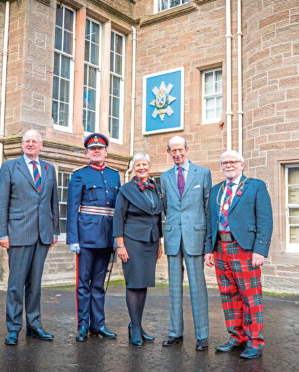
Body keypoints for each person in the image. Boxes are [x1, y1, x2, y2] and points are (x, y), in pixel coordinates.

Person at [205, 150, 273, 359]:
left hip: (245, 249)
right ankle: (236, 337)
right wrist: (208, 250)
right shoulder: (216, 190)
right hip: (221, 249)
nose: (229, 165)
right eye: (225, 162)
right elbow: (210, 223)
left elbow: (265, 220)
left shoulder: (256, 186)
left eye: (233, 162)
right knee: (228, 295)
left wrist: (260, 251)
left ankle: (254, 341)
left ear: (242, 164)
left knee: (250, 298)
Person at [0, 129, 60, 346]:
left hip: (42, 236)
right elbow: (1, 203)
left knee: (35, 284)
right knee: (16, 284)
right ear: (22, 145)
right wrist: (2, 233)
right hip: (19, 234)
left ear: (41, 145)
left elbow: (53, 203)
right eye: (27, 141)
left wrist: (55, 231)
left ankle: (34, 325)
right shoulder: (10, 167)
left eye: (34, 141)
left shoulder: (50, 169)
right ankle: (13, 328)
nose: (31, 144)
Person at [67, 133, 121, 342]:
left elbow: (118, 209)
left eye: (100, 149)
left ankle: (98, 324)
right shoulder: (79, 175)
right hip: (86, 236)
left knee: (99, 283)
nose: (96, 151)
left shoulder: (115, 175)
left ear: (106, 152)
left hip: (107, 237)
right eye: (92, 149)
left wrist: (118, 238)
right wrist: (73, 238)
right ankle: (82, 325)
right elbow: (72, 209)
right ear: (88, 153)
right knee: (83, 283)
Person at [160, 136, 212, 351]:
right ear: (169, 152)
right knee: (173, 288)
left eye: (180, 149)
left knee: (197, 287)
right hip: (173, 236)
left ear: (187, 149)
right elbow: (165, 207)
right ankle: (175, 333)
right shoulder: (164, 177)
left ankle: (202, 335)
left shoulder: (203, 173)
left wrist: (209, 243)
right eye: (173, 151)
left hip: (196, 237)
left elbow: (208, 209)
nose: (177, 154)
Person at [113, 153, 163, 347]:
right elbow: (118, 217)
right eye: (138, 165)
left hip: (150, 241)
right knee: (134, 284)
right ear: (133, 168)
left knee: (143, 284)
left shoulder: (155, 188)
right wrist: (120, 245)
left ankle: (138, 325)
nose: (141, 168)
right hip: (132, 241)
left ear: (149, 167)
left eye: (144, 164)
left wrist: (159, 243)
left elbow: (158, 218)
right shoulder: (126, 189)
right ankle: (134, 328)